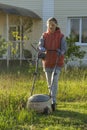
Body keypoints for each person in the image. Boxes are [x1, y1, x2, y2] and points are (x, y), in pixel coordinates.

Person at [38, 17, 67, 111]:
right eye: (49, 24)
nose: (51, 26)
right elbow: (40, 45)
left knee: (54, 81)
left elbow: (64, 48)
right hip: (47, 62)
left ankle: (53, 101)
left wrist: (61, 52)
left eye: (53, 25)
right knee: (49, 83)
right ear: (47, 25)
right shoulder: (44, 35)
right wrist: (41, 49)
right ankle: (50, 100)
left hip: (57, 62)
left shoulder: (61, 36)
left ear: (56, 25)